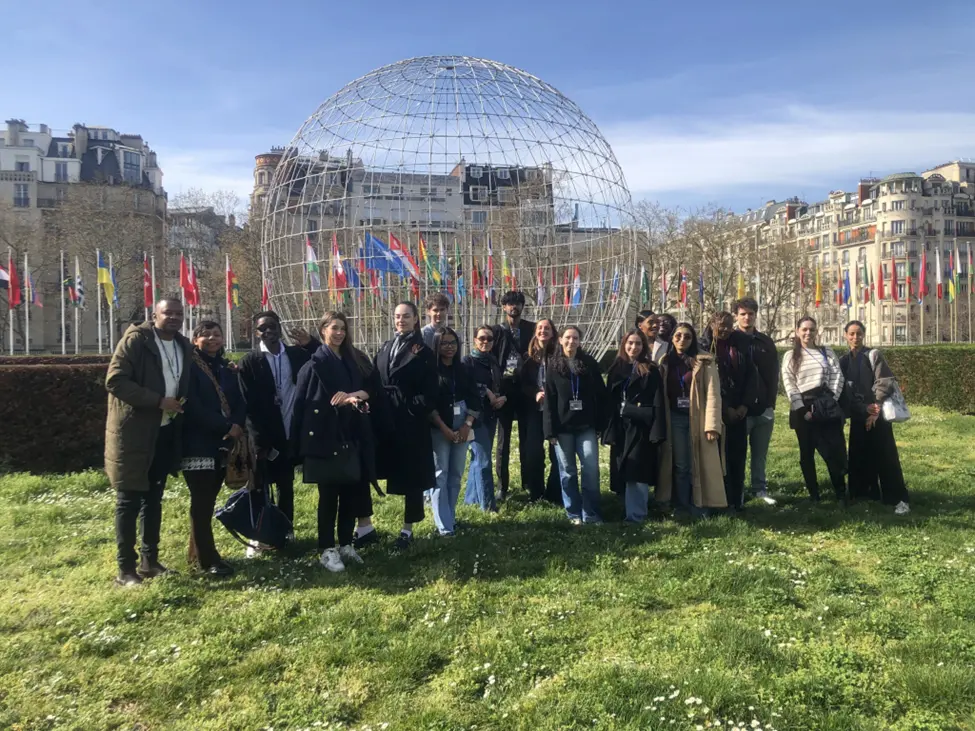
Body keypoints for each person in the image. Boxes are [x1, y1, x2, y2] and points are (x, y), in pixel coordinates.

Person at [105, 296, 192, 586]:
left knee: (154, 498)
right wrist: (158, 401)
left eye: (179, 313)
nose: (175, 318)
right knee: (128, 500)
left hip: (164, 432)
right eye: (168, 313)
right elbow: (115, 381)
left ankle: (149, 561)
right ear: (154, 315)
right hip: (134, 433)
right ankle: (125, 570)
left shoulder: (182, 344)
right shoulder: (136, 341)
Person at [291, 312, 377, 571]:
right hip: (325, 438)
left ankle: (345, 544)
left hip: (351, 435)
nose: (339, 333)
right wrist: (297, 447)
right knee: (328, 497)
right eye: (334, 328)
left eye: (342, 328)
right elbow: (300, 405)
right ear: (323, 331)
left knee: (351, 493)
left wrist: (354, 396)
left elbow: (368, 389)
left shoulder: (352, 361)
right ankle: (327, 548)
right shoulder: (313, 365)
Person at [237, 311, 320, 549]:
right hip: (263, 435)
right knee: (260, 486)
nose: (268, 331)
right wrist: (260, 443)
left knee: (285, 486)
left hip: (289, 432)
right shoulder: (250, 361)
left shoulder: (294, 355)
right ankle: (259, 534)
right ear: (256, 333)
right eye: (263, 328)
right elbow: (248, 405)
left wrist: (310, 342)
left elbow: (322, 359)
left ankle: (285, 530)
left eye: (272, 326)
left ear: (279, 327)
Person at [180, 321, 246, 577]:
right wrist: (224, 426)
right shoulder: (190, 368)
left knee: (209, 499)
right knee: (202, 501)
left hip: (224, 443)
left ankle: (196, 555)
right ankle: (209, 561)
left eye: (216, 334)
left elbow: (239, 400)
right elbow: (192, 405)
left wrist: (237, 424)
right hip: (198, 442)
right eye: (205, 334)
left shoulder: (226, 367)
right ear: (195, 339)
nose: (212, 338)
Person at [374, 302, 439, 549]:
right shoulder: (386, 346)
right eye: (398, 316)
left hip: (410, 420)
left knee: (412, 476)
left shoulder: (422, 350)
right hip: (386, 417)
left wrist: (412, 407)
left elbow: (431, 390)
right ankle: (366, 526)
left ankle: (408, 528)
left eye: (406, 316)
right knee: (387, 468)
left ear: (415, 320)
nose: (401, 320)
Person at [839, 321, 910, 515]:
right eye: (852, 334)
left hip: (878, 414)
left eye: (859, 334)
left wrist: (875, 408)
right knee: (859, 455)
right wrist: (862, 409)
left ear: (864, 335)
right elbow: (844, 391)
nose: (855, 338)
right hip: (858, 413)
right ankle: (863, 494)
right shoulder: (843, 361)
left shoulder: (874, 355)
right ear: (845, 335)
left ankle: (896, 498)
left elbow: (884, 381)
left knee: (886, 457)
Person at [655, 323, 726, 516]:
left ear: (693, 339)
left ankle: (701, 504)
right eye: (678, 336)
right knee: (680, 464)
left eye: (687, 336)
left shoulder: (705, 361)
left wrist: (712, 425)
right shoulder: (664, 360)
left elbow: (713, 394)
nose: (682, 340)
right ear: (672, 338)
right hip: (675, 419)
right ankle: (681, 504)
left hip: (700, 419)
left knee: (700, 463)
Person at [543, 325, 609, 524]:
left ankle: (591, 513)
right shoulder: (553, 366)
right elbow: (550, 400)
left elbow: (600, 394)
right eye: (568, 338)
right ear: (560, 340)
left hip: (586, 427)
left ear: (580, 341)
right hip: (563, 429)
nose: (571, 342)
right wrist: (550, 430)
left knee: (590, 468)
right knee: (568, 472)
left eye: (575, 338)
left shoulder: (589, 363)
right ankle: (573, 513)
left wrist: (600, 424)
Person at [780, 316, 848, 504]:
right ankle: (814, 495)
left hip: (825, 404)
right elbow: (789, 384)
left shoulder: (827, 352)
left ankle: (840, 492)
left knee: (833, 450)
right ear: (797, 331)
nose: (808, 333)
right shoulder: (790, 356)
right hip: (802, 406)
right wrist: (802, 410)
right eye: (804, 329)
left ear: (817, 331)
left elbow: (837, 377)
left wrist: (831, 400)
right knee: (807, 454)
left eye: (811, 329)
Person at [603, 329, 665, 523]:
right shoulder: (616, 368)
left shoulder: (651, 369)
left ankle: (636, 515)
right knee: (624, 469)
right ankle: (627, 509)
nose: (633, 347)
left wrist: (631, 411)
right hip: (621, 428)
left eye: (638, 343)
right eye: (630, 343)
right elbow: (609, 399)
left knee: (638, 471)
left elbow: (656, 404)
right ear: (624, 344)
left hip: (640, 427)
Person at [429, 326, 480, 535]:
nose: (449, 347)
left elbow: (475, 398)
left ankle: (451, 516)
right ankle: (444, 526)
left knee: (456, 474)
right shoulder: (431, 371)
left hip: (463, 422)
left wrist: (467, 425)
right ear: (437, 346)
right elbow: (428, 404)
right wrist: (443, 428)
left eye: (453, 343)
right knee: (440, 474)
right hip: (439, 424)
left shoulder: (464, 368)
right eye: (444, 343)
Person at [704, 311, 757, 512]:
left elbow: (752, 375)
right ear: (711, 324)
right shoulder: (704, 346)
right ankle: (718, 501)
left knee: (737, 456)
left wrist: (744, 405)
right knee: (717, 457)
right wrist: (724, 407)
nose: (724, 329)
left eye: (728, 325)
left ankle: (737, 499)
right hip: (716, 410)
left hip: (739, 410)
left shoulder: (740, 345)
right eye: (720, 325)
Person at [733, 297, 779, 506]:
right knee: (738, 453)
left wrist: (771, 404)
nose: (747, 317)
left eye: (750, 313)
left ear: (755, 315)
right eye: (743, 314)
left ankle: (759, 489)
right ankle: (737, 490)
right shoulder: (731, 340)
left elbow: (772, 374)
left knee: (759, 454)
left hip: (763, 409)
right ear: (736, 316)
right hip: (740, 410)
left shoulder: (765, 342)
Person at [492, 290, 535, 501]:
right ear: (504, 308)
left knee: (527, 439)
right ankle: (502, 485)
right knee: (503, 441)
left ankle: (528, 481)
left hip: (526, 391)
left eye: (517, 303)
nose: (513, 307)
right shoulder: (497, 331)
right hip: (505, 391)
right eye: (509, 304)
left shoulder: (532, 329)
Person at [520, 319, 562, 503]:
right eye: (540, 328)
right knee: (533, 453)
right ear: (535, 332)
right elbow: (521, 384)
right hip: (534, 411)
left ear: (553, 333)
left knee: (557, 453)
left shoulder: (559, 356)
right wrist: (535, 393)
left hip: (556, 411)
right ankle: (536, 493)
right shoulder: (527, 357)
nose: (543, 331)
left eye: (547, 328)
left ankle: (554, 493)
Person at [463, 325, 505, 513]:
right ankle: (488, 506)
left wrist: (501, 397)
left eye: (489, 339)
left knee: (478, 458)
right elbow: (466, 386)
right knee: (483, 459)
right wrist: (485, 391)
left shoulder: (493, 361)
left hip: (491, 415)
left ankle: (471, 499)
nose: (485, 342)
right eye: (481, 338)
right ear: (474, 340)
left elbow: (498, 385)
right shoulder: (468, 362)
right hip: (475, 417)